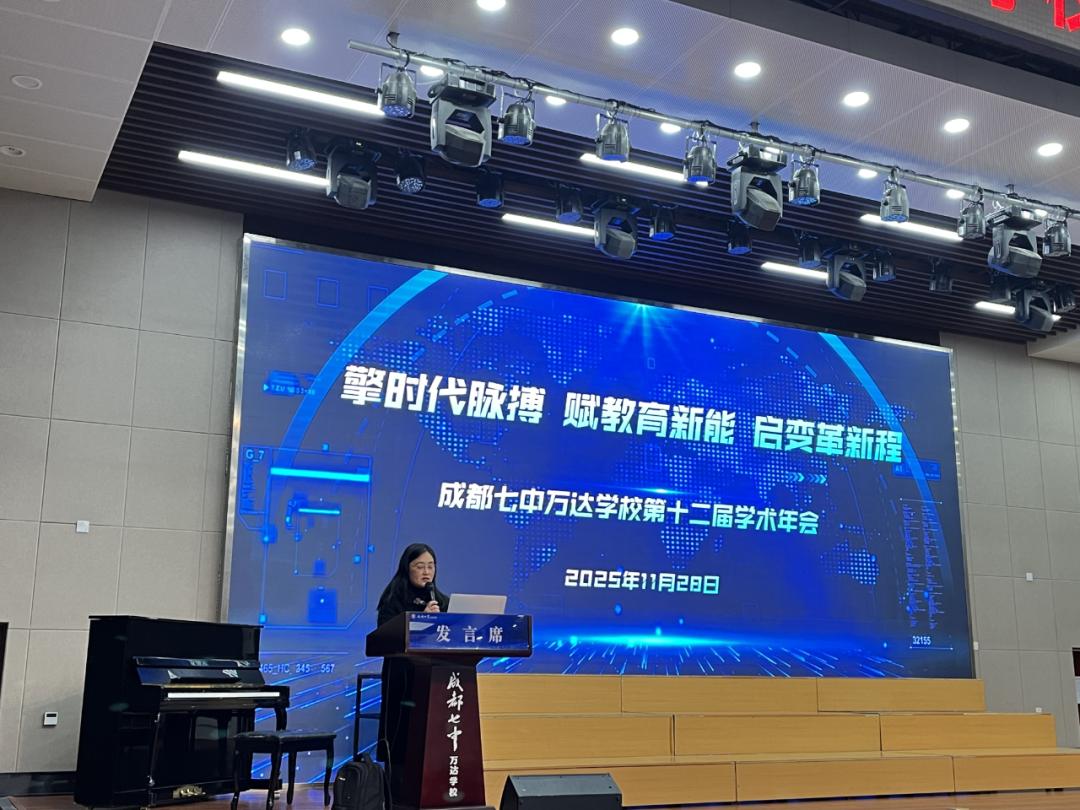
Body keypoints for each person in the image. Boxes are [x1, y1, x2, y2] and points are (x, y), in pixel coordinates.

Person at [374, 544, 451, 783]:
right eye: (420, 566)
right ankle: (396, 785)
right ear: (407, 568)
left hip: (433, 676)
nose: (426, 572)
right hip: (402, 675)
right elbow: (386, 635)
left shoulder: (441, 601)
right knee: (401, 730)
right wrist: (421, 618)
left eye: (431, 566)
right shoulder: (393, 598)